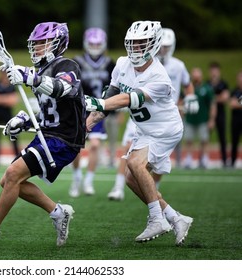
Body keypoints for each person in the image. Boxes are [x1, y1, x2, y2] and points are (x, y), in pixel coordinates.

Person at [0, 22, 86, 246]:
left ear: (57, 44)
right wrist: (24, 120)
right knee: (7, 180)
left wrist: (30, 77)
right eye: (34, 44)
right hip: (48, 134)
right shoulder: (42, 71)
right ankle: (58, 212)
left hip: (63, 139)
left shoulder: (67, 65)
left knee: (14, 173)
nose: (36, 48)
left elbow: (63, 89)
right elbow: (46, 110)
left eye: (42, 43)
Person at [85, 20, 193, 246]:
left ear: (153, 44)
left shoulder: (159, 77)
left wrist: (95, 103)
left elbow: (128, 99)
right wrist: (89, 121)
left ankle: (157, 219)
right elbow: (111, 96)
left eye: (142, 43)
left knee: (134, 163)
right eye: (132, 44)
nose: (136, 49)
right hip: (145, 129)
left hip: (165, 130)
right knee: (131, 179)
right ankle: (176, 218)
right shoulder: (122, 64)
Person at [69, 27, 115, 197]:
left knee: (95, 144)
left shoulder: (110, 63)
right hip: (78, 108)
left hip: (99, 109)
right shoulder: (76, 62)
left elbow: (116, 87)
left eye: (98, 43)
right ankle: (76, 177)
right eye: (92, 43)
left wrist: (116, 109)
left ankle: (88, 180)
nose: (95, 46)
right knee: (74, 147)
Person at [152, 28, 198, 187]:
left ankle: (153, 188)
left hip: (170, 114)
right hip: (151, 113)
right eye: (161, 46)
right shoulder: (150, 63)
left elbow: (187, 84)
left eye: (166, 46)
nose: (163, 50)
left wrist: (191, 97)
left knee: (162, 157)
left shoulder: (178, 65)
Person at [183, 67, 216, 169]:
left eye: (198, 75)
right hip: (190, 119)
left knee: (204, 140)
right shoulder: (188, 88)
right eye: (194, 75)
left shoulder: (206, 88)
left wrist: (211, 119)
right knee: (189, 140)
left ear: (201, 76)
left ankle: (204, 158)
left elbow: (212, 105)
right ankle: (189, 158)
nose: (196, 78)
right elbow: (182, 102)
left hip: (202, 119)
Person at [0, 70, 20, 166]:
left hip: (8, 114)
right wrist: (6, 99)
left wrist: (0, 98)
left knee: (13, 135)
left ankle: (17, 157)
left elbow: (13, 101)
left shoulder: (12, 86)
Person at [207, 61, 230, 167]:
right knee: (206, 138)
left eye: (216, 71)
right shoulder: (207, 84)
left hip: (221, 114)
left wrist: (213, 98)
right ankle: (205, 159)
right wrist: (217, 98)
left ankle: (225, 160)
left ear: (219, 72)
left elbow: (225, 98)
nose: (214, 73)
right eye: (212, 71)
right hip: (208, 114)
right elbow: (206, 100)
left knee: (222, 138)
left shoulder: (223, 84)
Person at [229, 70, 242, 168]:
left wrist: (238, 103)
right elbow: (232, 104)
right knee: (234, 141)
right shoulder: (235, 91)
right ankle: (233, 162)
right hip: (236, 120)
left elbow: (235, 103)